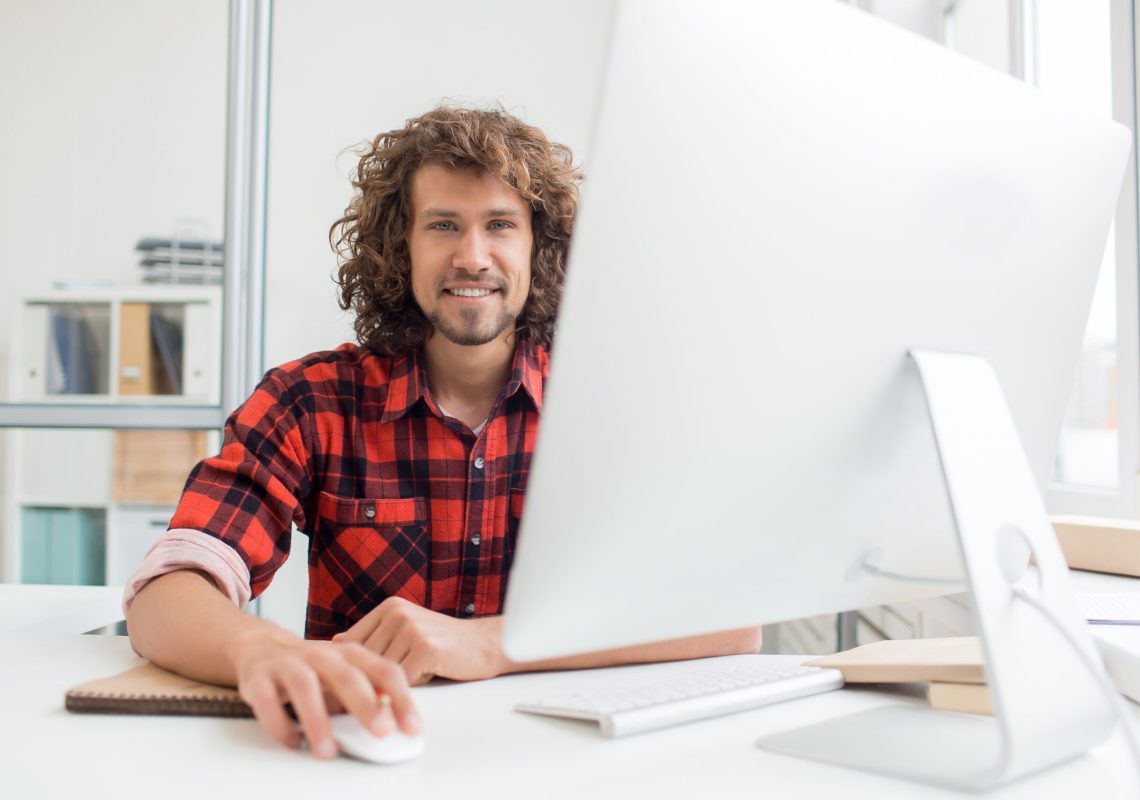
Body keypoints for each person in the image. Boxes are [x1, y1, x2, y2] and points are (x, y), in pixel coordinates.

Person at [124, 106, 764, 760]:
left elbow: (732, 620)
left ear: (537, 248)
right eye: (443, 225)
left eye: (499, 226)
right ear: (400, 248)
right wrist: (259, 648)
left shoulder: (612, 408)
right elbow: (167, 591)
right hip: (357, 762)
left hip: (569, 765)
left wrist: (489, 645)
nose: (472, 256)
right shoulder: (310, 401)